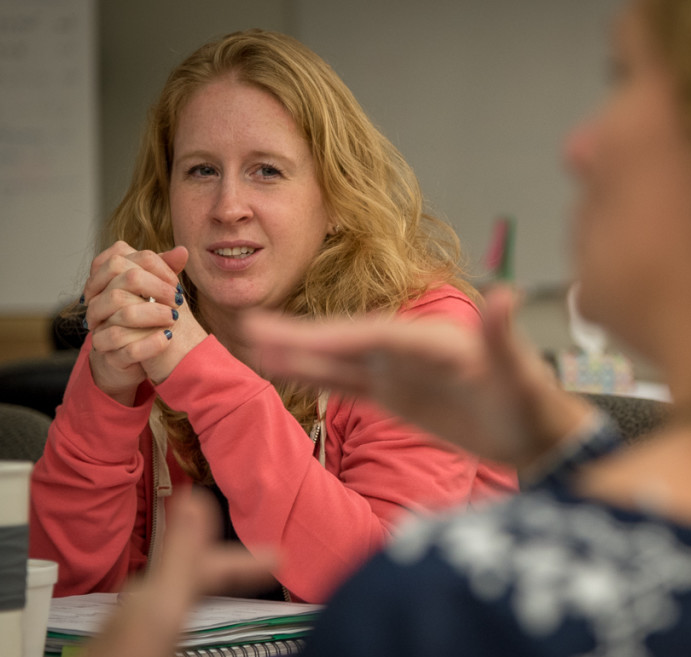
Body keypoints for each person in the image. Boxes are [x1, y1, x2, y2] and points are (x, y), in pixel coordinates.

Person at [61, 0, 691, 657]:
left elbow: (420, 599)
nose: (580, 145)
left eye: (628, 82)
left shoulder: (455, 608)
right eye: (200, 172)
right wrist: (563, 451)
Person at [28, 28, 517, 606]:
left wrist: (197, 370)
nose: (229, 207)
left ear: (337, 197)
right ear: (166, 200)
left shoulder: (423, 335)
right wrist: (106, 400)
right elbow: (50, 597)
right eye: (201, 171)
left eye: (267, 171)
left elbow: (381, 591)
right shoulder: (149, 326)